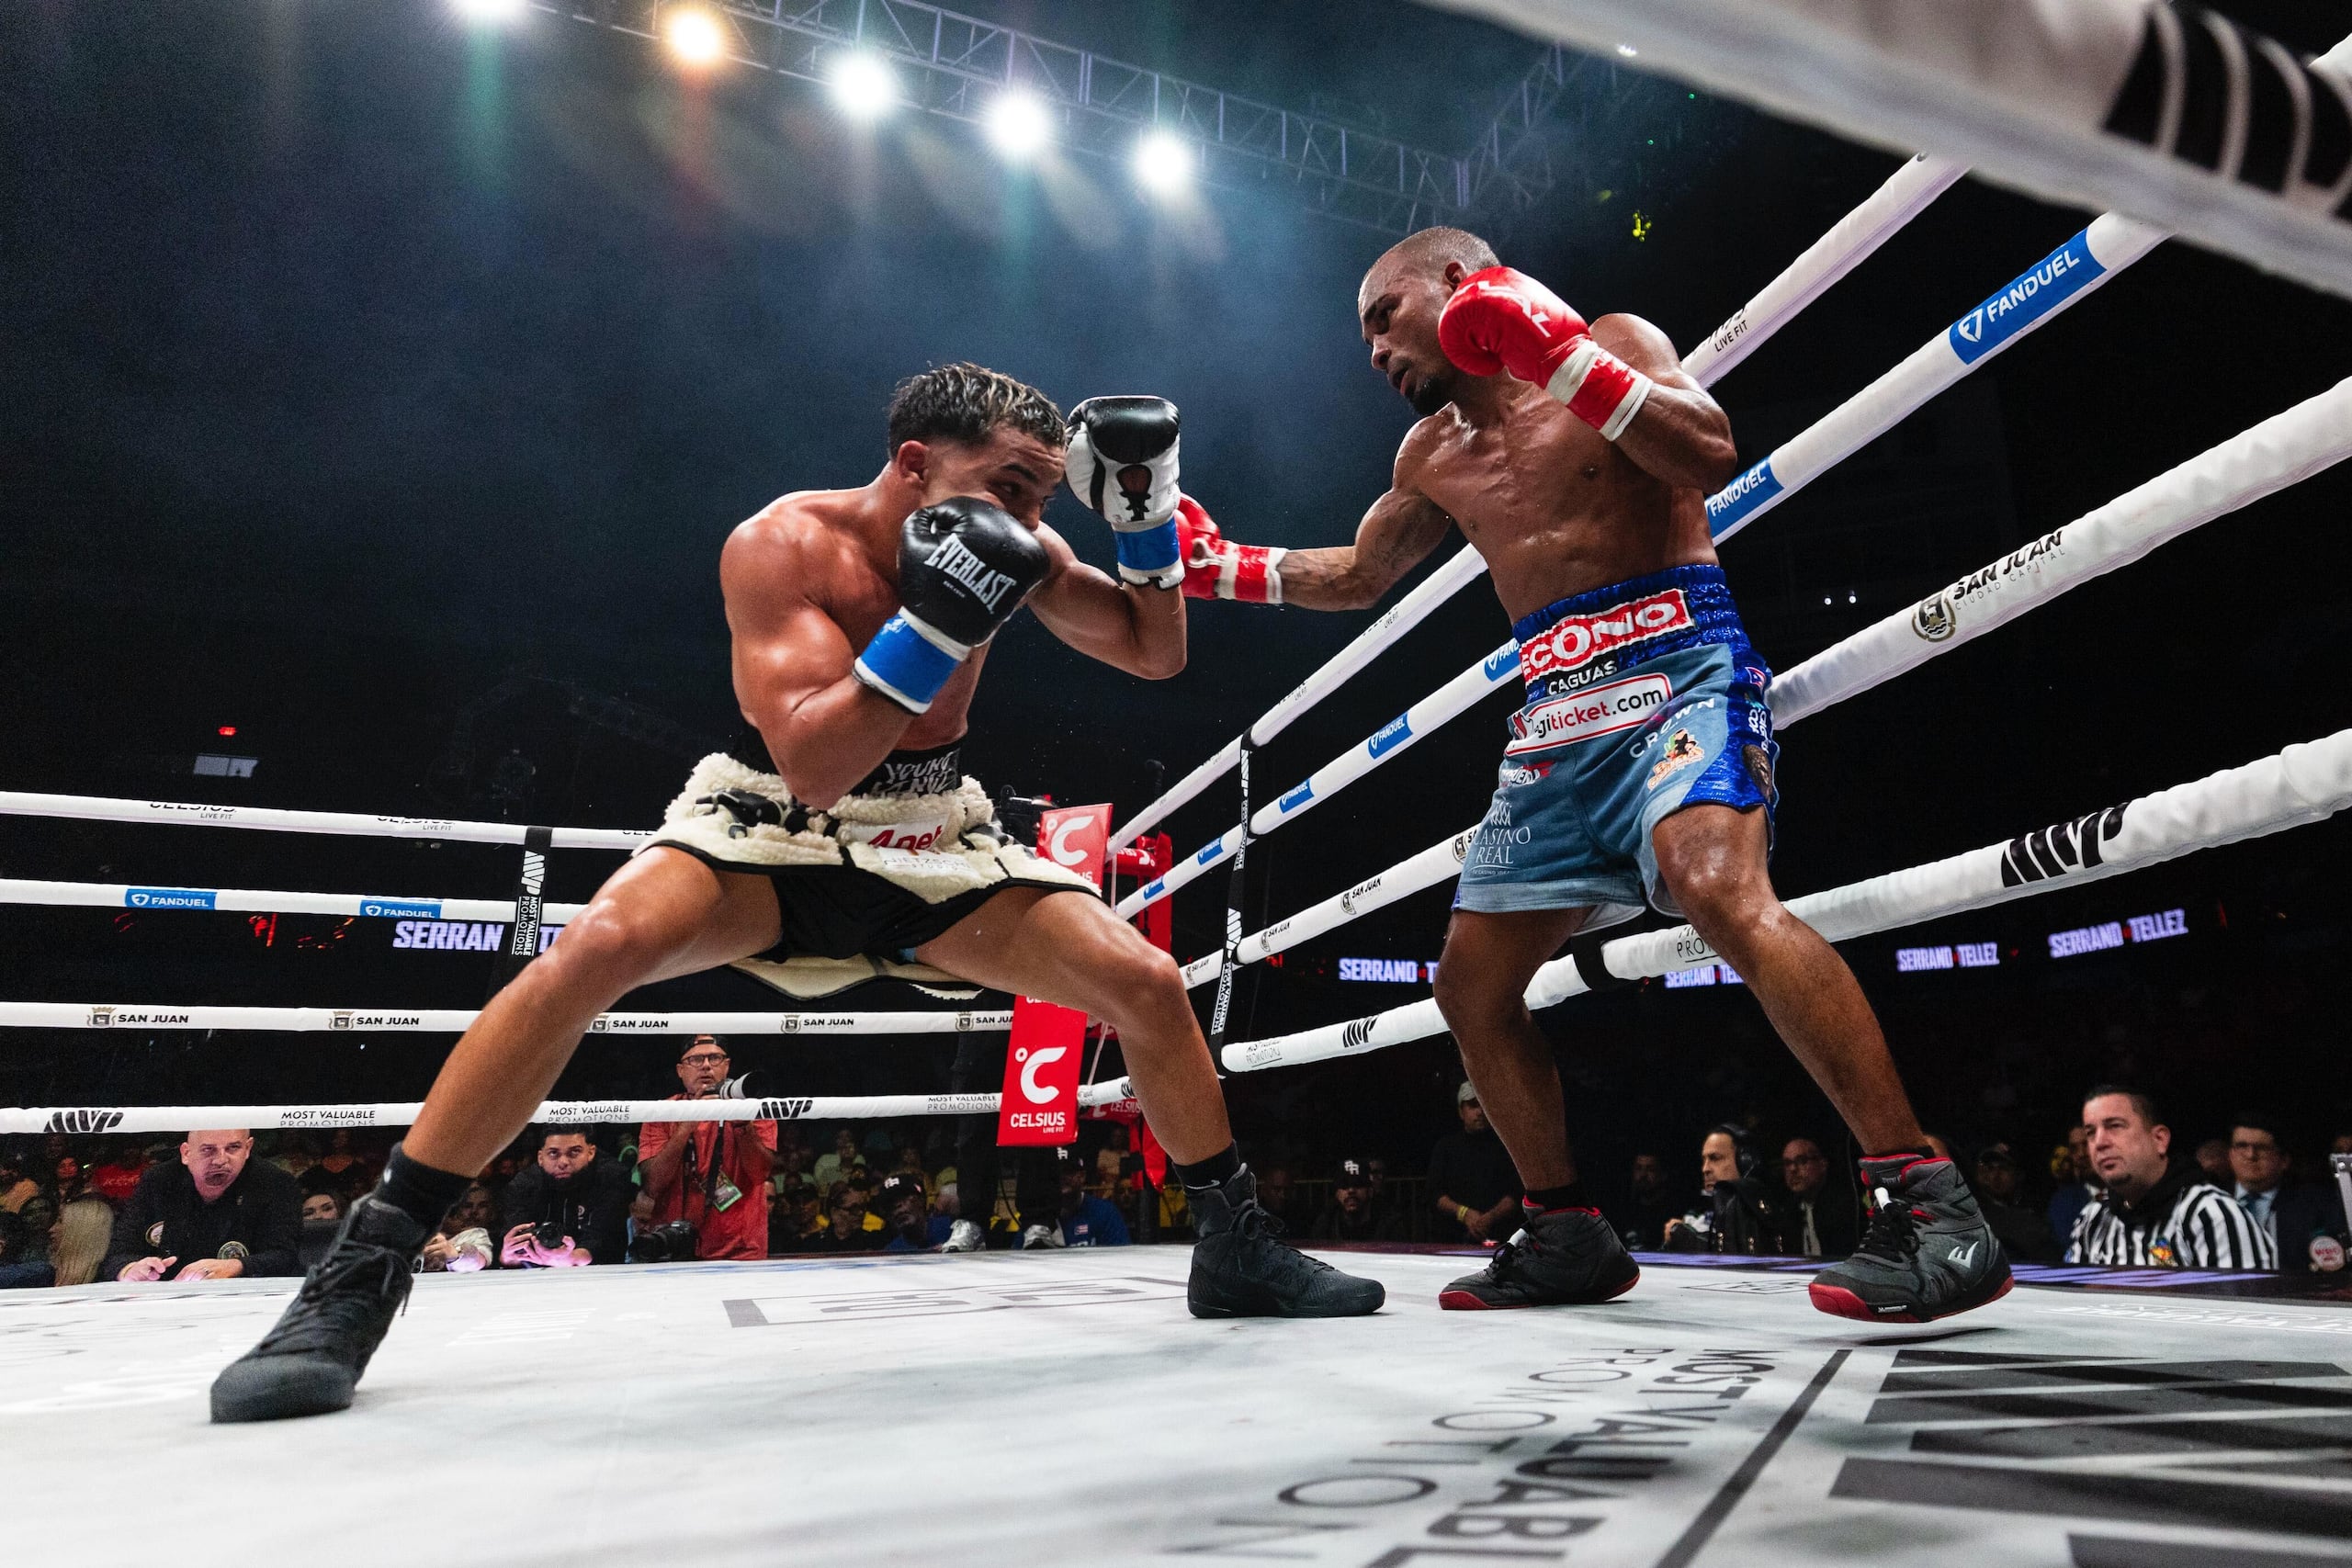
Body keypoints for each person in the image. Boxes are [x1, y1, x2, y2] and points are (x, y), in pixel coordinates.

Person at [209, 366, 1379, 1422]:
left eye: (1044, 493)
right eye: (1008, 486)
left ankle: (1235, 1248)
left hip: (932, 831)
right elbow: (819, 763)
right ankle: (360, 1274)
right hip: (771, 823)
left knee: (1143, 980)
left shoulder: (1022, 544)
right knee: (590, 951)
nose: (1029, 516)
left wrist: (1142, 528)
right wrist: (934, 620)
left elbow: (1150, 651)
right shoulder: (778, 546)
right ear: (915, 462)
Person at [1179, 229, 2008, 1322]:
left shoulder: (1608, 344)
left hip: (1677, 663)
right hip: (1554, 721)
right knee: (1467, 986)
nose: (1372, 347)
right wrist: (1217, 568)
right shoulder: (1428, 456)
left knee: (1716, 888)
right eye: (1362, 333)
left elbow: (1706, 449)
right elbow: (1357, 574)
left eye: (1385, 312)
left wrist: (1559, 356)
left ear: (1460, 285)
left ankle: (1929, 1202)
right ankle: (1564, 1228)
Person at [2068, 1087, 2273, 1269]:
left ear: (2159, 1139)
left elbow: (2242, 1310)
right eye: (2091, 1133)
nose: (2099, 1142)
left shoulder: (2213, 1216)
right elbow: (2068, 1306)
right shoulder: (2092, 1219)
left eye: (2114, 1126)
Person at [636, 1036, 776, 1262]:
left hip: (740, 1250)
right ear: (680, 1070)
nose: (706, 1065)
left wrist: (741, 1123)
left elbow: (761, 1174)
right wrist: (687, 1124)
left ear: (727, 1065)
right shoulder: (661, 1112)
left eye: (715, 1058)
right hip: (674, 1246)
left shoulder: (752, 1108)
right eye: (696, 1059)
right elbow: (653, 1185)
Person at [105, 1129, 302, 1283]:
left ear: (248, 1148)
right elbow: (119, 1253)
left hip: (247, 1298)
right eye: (209, 1149)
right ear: (186, 1153)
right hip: (167, 1296)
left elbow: (285, 1255)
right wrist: (130, 1269)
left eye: (233, 1148)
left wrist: (237, 1266)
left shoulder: (274, 1182)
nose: (220, 1160)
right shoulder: (158, 1181)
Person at [496, 1128, 631, 1269]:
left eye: (574, 1152)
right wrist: (509, 1256)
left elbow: (604, 1236)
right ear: (540, 1157)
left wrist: (569, 1258)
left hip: (601, 1271)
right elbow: (513, 1245)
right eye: (554, 1153)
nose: (563, 1162)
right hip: (535, 1271)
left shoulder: (611, 1176)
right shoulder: (524, 1184)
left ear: (591, 1152)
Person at [2227, 1112, 2342, 1274]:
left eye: (2262, 1148)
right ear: (2230, 1155)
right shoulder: (2208, 1203)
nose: (2250, 1155)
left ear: (2284, 1160)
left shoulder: (2316, 1206)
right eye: (2241, 1146)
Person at [1663, 1127, 1789, 1255]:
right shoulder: (1694, 1217)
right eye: (1704, 1160)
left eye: (1715, 1158)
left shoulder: (1758, 1213)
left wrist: (1685, 1238)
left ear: (1745, 1162)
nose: (1705, 1169)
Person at [1429, 1083, 1521, 1244]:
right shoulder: (1446, 1147)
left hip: (1500, 1237)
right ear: (1461, 1111)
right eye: (1473, 1105)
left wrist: (1489, 1218)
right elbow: (1435, 1192)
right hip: (1453, 1238)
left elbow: (1516, 1193)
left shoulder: (1506, 1146)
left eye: (1483, 1104)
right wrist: (1464, 1213)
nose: (1480, 1111)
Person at [1971, 1142, 2059, 1263]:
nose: (1996, 1175)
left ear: (2019, 1174)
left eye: (2003, 1168)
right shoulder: (1976, 1216)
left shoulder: (2035, 1214)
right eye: (1990, 1169)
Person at [1777, 1137, 1858, 1260]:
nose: (1793, 1169)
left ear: (1822, 1164)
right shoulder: (1789, 1210)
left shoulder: (1843, 1205)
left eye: (1802, 1161)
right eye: (1787, 1163)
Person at [1046, 1145, 1131, 1247]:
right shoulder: (1038, 1216)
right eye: (1057, 1172)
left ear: (1082, 1176)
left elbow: (1121, 1255)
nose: (1062, 1177)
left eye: (1068, 1171)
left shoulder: (1104, 1212)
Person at [1309, 1157, 1408, 1243]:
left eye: (1358, 1184)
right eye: (1345, 1185)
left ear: (1370, 1191)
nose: (1351, 1191)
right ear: (1337, 1193)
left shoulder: (1390, 1224)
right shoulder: (1326, 1224)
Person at [419, 1182, 498, 1274]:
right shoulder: (420, 1230)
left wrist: (454, 1254)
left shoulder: (475, 1234)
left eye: (482, 1206)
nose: (474, 1212)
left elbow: (478, 1260)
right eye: (467, 1206)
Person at [1614, 1152, 1683, 1251]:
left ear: (1663, 1175)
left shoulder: (1673, 1213)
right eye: (1638, 1168)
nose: (1643, 1175)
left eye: (1650, 1169)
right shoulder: (1623, 1210)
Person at [2047, 1124, 2098, 1243]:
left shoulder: (2131, 1193)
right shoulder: (2062, 1203)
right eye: (2074, 1149)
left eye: (2086, 1144)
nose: (2081, 1154)